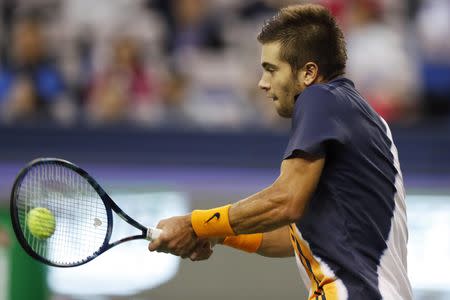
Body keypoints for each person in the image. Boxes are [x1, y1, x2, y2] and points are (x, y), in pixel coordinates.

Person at [149, 4, 412, 300]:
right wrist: (215, 232)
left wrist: (194, 223)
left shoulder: (320, 99)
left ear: (309, 73)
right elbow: (298, 237)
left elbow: (285, 201)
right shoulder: (366, 119)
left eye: (271, 70)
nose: (263, 83)